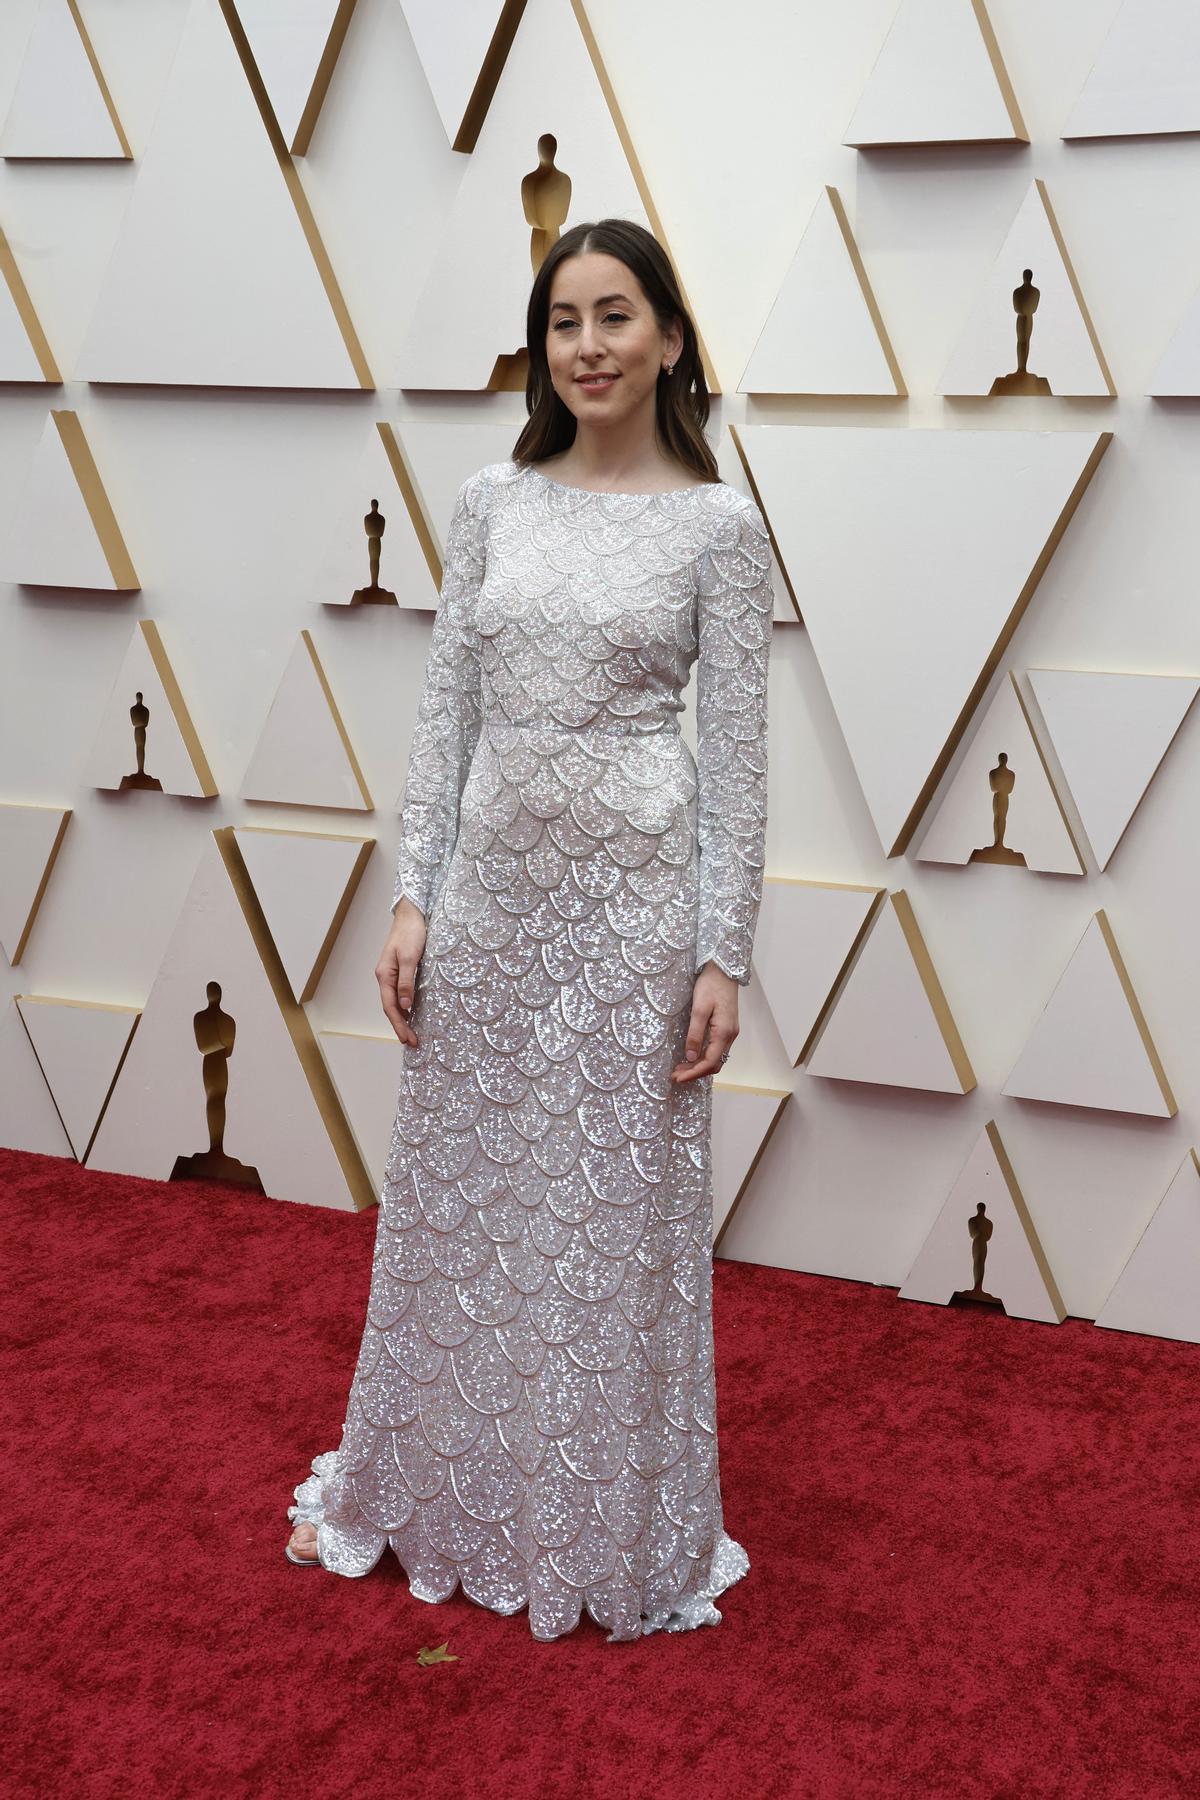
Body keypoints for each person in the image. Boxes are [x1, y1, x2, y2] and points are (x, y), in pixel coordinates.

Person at [285, 217, 775, 1644]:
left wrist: (721, 951)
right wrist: (414, 889)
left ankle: (597, 1522)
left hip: (633, 916)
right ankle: (439, 1492)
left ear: (671, 338)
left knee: (610, 1226)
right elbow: (448, 714)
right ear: (541, 346)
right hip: (493, 904)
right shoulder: (490, 499)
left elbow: (737, 757)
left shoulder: (720, 527)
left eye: (617, 317)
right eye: (565, 322)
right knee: (463, 1207)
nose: (590, 347)